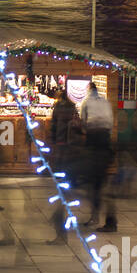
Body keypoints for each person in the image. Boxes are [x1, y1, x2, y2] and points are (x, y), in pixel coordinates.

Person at [80, 83, 116, 232]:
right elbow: (111, 122)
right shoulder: (105, 101)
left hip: (94, 145)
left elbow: (83, 120)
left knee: (95, 186)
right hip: (106, 144)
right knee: (104, 186)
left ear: (88, 89)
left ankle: (96, 217)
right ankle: (108, 220)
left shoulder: (86, 102)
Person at [48, 86, 82, 241]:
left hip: (62, 146)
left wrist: (53, 142)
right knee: (67, 180)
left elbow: (54, 128)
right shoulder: (73, 108)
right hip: (73, 149)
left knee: (61, 184)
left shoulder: (58, 109)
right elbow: (79, 128)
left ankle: (60, 230)